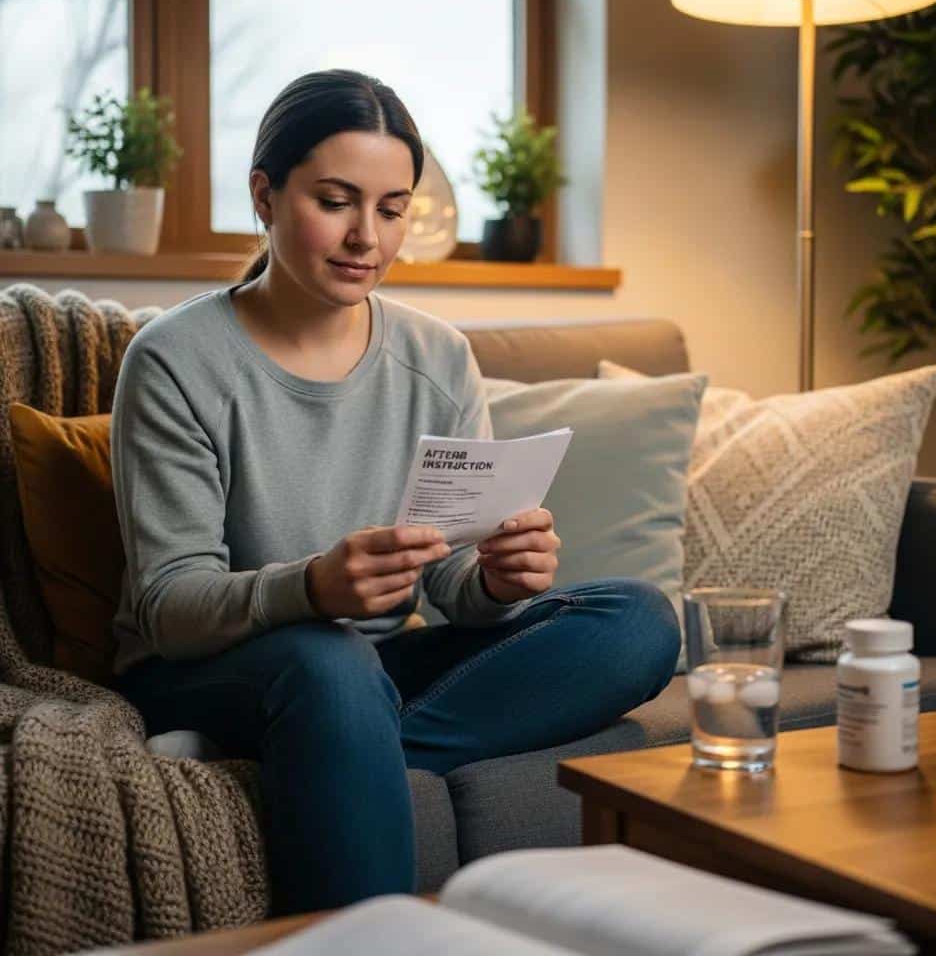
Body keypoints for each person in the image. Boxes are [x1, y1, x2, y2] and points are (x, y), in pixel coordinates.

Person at [111, 69, 681, 916]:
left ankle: (337, 752)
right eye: (335, 201)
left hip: (363, 671)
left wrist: (494, 579)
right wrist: (310, 587)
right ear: (265, 197)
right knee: (327, 659)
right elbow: (169, 604)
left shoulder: (439, 356)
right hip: (205, 664)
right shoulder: (174, 361)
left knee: (637, 621)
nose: (365, 238)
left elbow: (448, 585)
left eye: (391, 208)